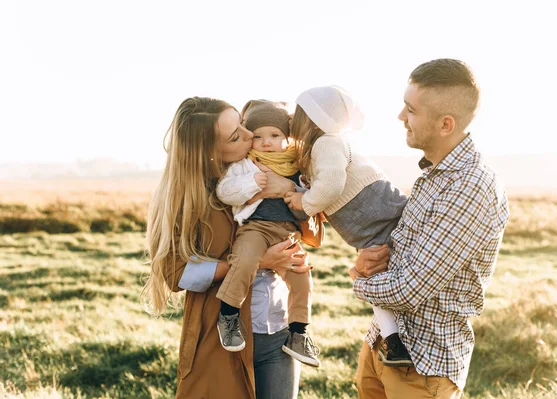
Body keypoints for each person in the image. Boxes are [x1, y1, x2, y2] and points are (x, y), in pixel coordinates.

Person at [348, 59, 510, 398]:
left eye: (410, 110)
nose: (400, 117)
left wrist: (360, 282)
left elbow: (409, 290)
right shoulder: (432, 177)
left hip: (424, 367)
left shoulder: (470, 188)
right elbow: (403, 262)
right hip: (383, 347)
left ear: (445, 124)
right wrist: (372, 261)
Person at [141, 97, 321, 399]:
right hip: (221, 338)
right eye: (236, 135)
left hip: (277, 328)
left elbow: (312, 231)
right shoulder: (187, 200)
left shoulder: (272, 166)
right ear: (210, 151)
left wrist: (289, 189)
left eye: (241, 123)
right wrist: (258, 262)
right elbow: (175, 273)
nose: (250, 135)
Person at [283, 85, 411, 367]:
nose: (291, 119)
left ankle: (395, 338)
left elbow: (330, 185)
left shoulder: (327, 142)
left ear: (312, 118)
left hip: (375, 212)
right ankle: (394, 341)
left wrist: (305, 202)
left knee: (375, 272)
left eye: (297, 113)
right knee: (373, 275)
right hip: (365, 224)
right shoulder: (322, 147)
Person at [215, 99, 321, 368]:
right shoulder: (245, 165)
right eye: (258, 136)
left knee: (301, 275)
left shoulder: (298, 167)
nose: (266, 142)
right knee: (245, 259)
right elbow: (224, 191)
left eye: (274, 135)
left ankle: (298, 332)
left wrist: (292, 190)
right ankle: (228, 314)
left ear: (287, 138)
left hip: (288, 234)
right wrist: (252, 183)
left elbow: (311, 206)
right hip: (256, 227)